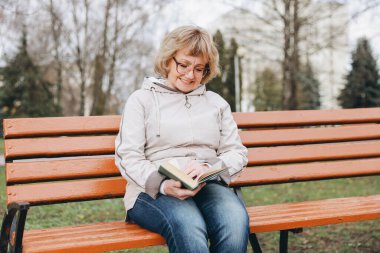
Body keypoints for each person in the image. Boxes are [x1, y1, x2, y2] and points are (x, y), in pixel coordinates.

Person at [115, 25, 249, 253]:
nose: (190, 75)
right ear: (168, 60)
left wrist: (210, 167)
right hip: (152, 190)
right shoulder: (142, 100)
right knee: (188, 224)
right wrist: (164, 185)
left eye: (199, 69)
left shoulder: (216, 103)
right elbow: (128, 156)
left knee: (235, 221)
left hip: (207, 185)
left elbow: (236, 152)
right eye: (183, 65)